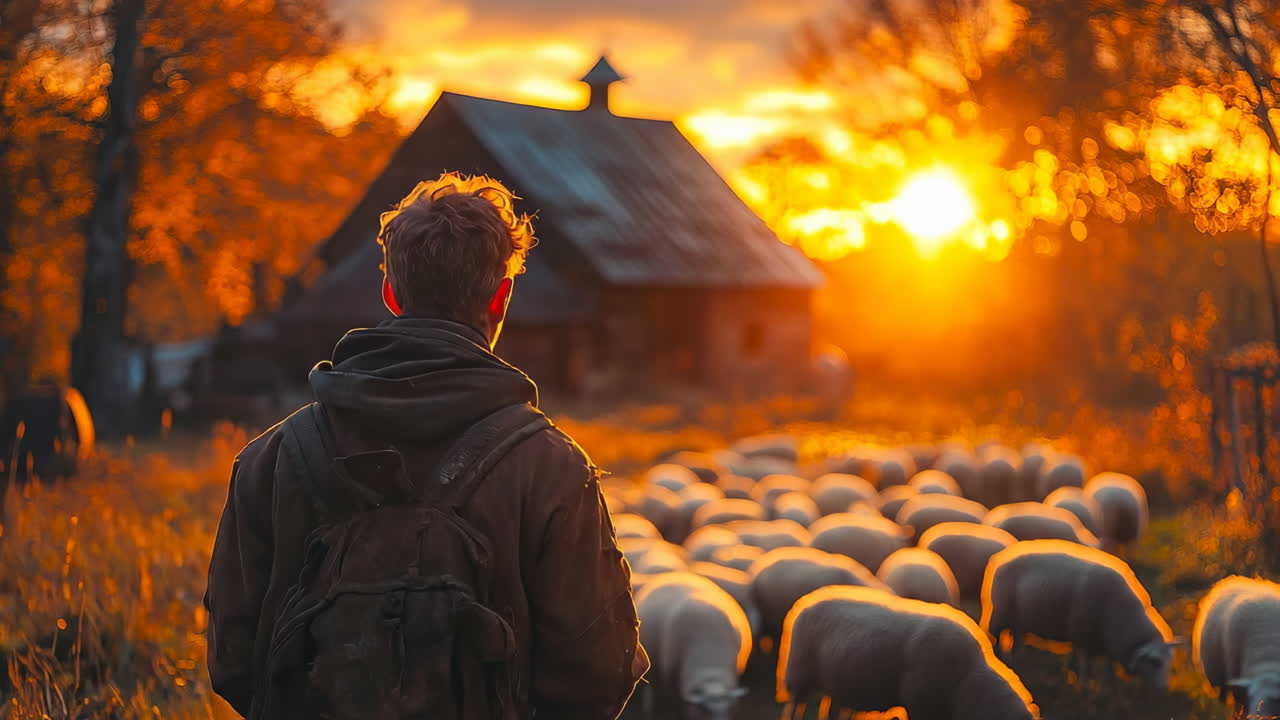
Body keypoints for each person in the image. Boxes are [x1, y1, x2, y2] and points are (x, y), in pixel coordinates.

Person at [204, 173, 647, 719]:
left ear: (390, 293)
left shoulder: (271, 459)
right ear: (501, 297)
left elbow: (232, 658)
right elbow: (599, 670)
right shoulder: (551, 466)